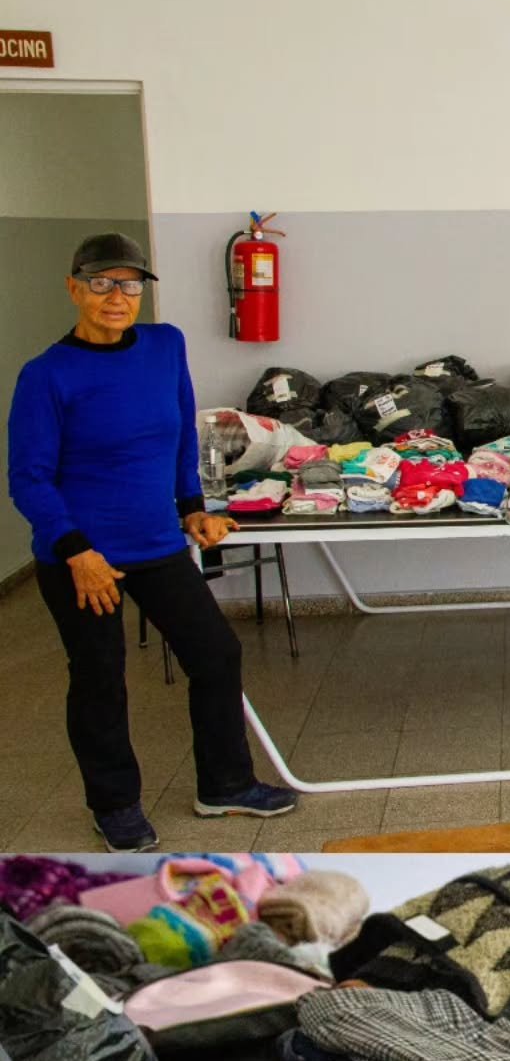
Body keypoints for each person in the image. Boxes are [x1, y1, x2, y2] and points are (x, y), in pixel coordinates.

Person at [6, 232, 296, 851]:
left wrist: (192, 508)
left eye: (130, 285)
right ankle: (114, 805)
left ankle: (224, 785)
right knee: (100, 678)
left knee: (215, 655)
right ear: (74, 288)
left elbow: (181, 433)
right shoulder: (47, 375)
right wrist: (76, 551)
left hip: (156, 542)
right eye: (102, 283)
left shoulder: (165, 346)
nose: (117, 297)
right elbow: (28, 478)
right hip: (83, 556)